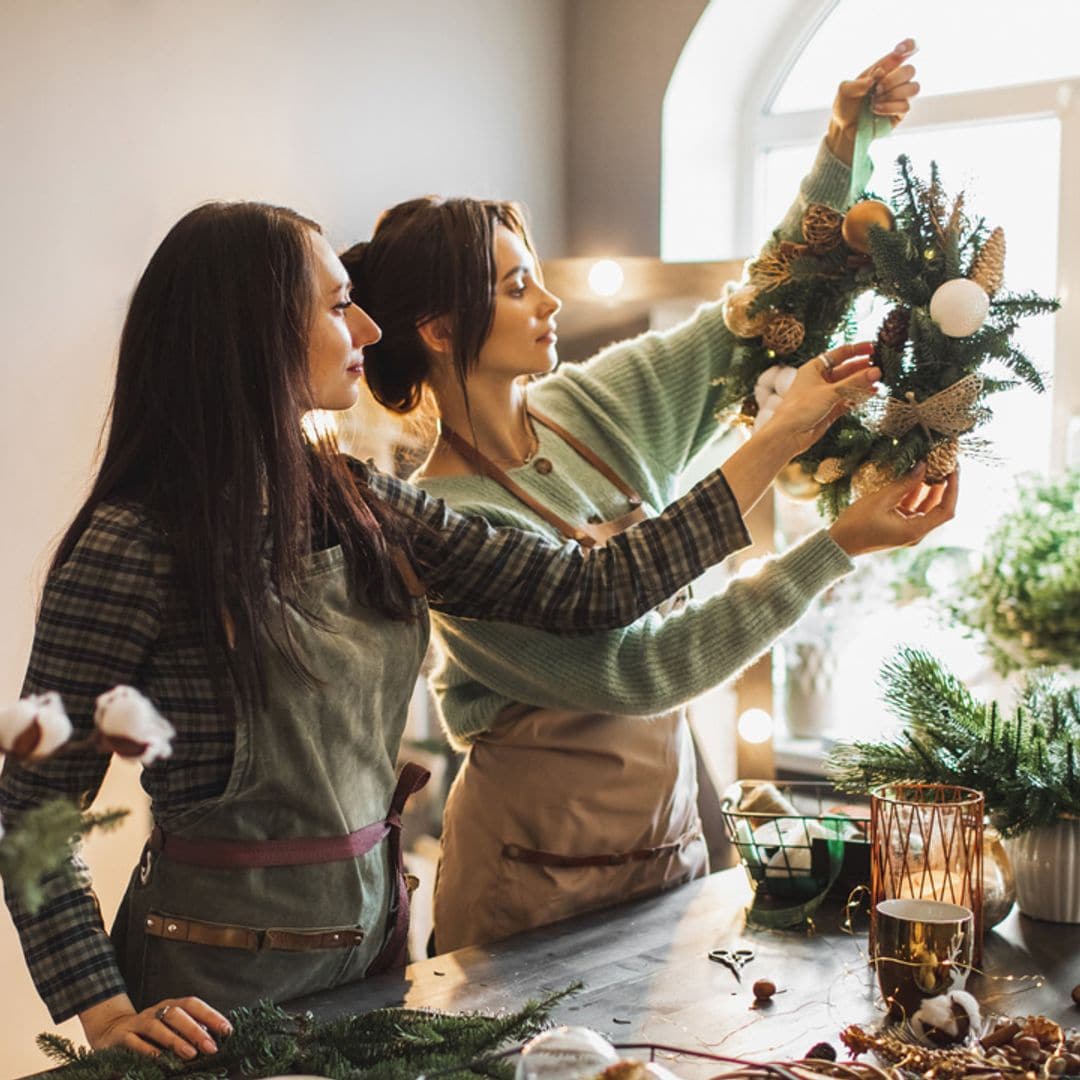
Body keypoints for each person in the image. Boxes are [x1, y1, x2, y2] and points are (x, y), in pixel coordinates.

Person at [0, 197, 890, 1061]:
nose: (369, 331)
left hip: (379, 962)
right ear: (255, 328)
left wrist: (789, 449)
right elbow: (30, 810)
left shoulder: (357, 498)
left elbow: (594, 592)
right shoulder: (133, 543)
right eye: (339, 306)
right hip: (210, 988)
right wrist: (106, 1009)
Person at [343, 40, 953, 954]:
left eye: (538, 272)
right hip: (521, 888)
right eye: (516, 286)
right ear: (437, 329)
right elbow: (646, 669)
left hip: (664, 852)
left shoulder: (593, 405)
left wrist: (840, 150)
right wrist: (832, 543)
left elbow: (754, 320)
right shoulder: (451, 525)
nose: (549, 300)